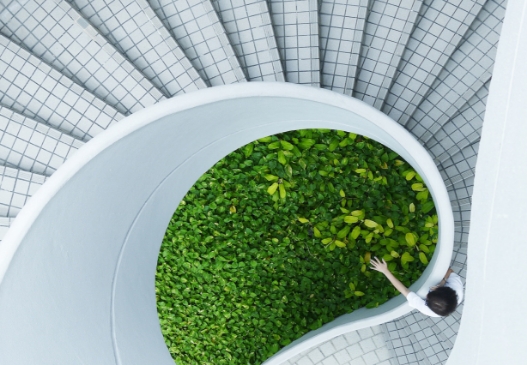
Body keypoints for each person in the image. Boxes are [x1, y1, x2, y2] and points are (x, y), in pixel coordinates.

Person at [370, 257, 463, 317]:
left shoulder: (425, 308)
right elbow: (450, 271)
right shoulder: (456, 289)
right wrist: (442, 282)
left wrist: (385, 271)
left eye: (428, 298)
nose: (427, 296)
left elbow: (404, 290)